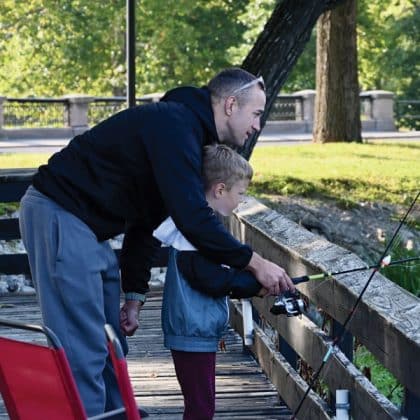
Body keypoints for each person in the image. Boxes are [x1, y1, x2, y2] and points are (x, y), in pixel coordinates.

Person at [19, 67, 294, 417]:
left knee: (109, 343)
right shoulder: (175, 127)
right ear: (230, 105)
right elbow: (192, 218)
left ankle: (117, 414)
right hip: (61, 214)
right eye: (255, 114)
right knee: (82, 349)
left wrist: (133, 295)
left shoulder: (187, 136)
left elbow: (148, 221)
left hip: (90, 228)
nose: (257, 125)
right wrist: (255, 262)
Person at [154, 144, 266, 420]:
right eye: (240, 193)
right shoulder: (195, 235)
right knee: (201, 407)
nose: (242, 200)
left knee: (200, 404)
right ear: (219, 190)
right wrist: (255, 285)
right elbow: (212, 280)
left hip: (195, 331)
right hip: (192, 332)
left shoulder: (199, 226)